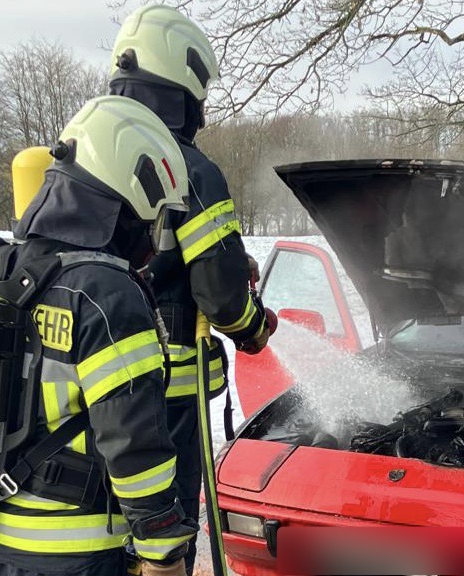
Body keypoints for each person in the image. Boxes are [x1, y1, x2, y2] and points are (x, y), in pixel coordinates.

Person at [0, 95, 196, 576]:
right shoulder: (105, 294)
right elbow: (134, 442)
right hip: (81, 553)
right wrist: (164, 555)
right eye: (154, 218)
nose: (153, 237)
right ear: (129, 191)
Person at [108, 6, 275, 574]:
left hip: (89, 383)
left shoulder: (86, 152)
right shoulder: (188, 167)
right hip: (167, 390)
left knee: (113, 519)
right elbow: (224, 298)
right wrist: (256, 329)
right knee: (165, 530)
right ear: (182, 81)